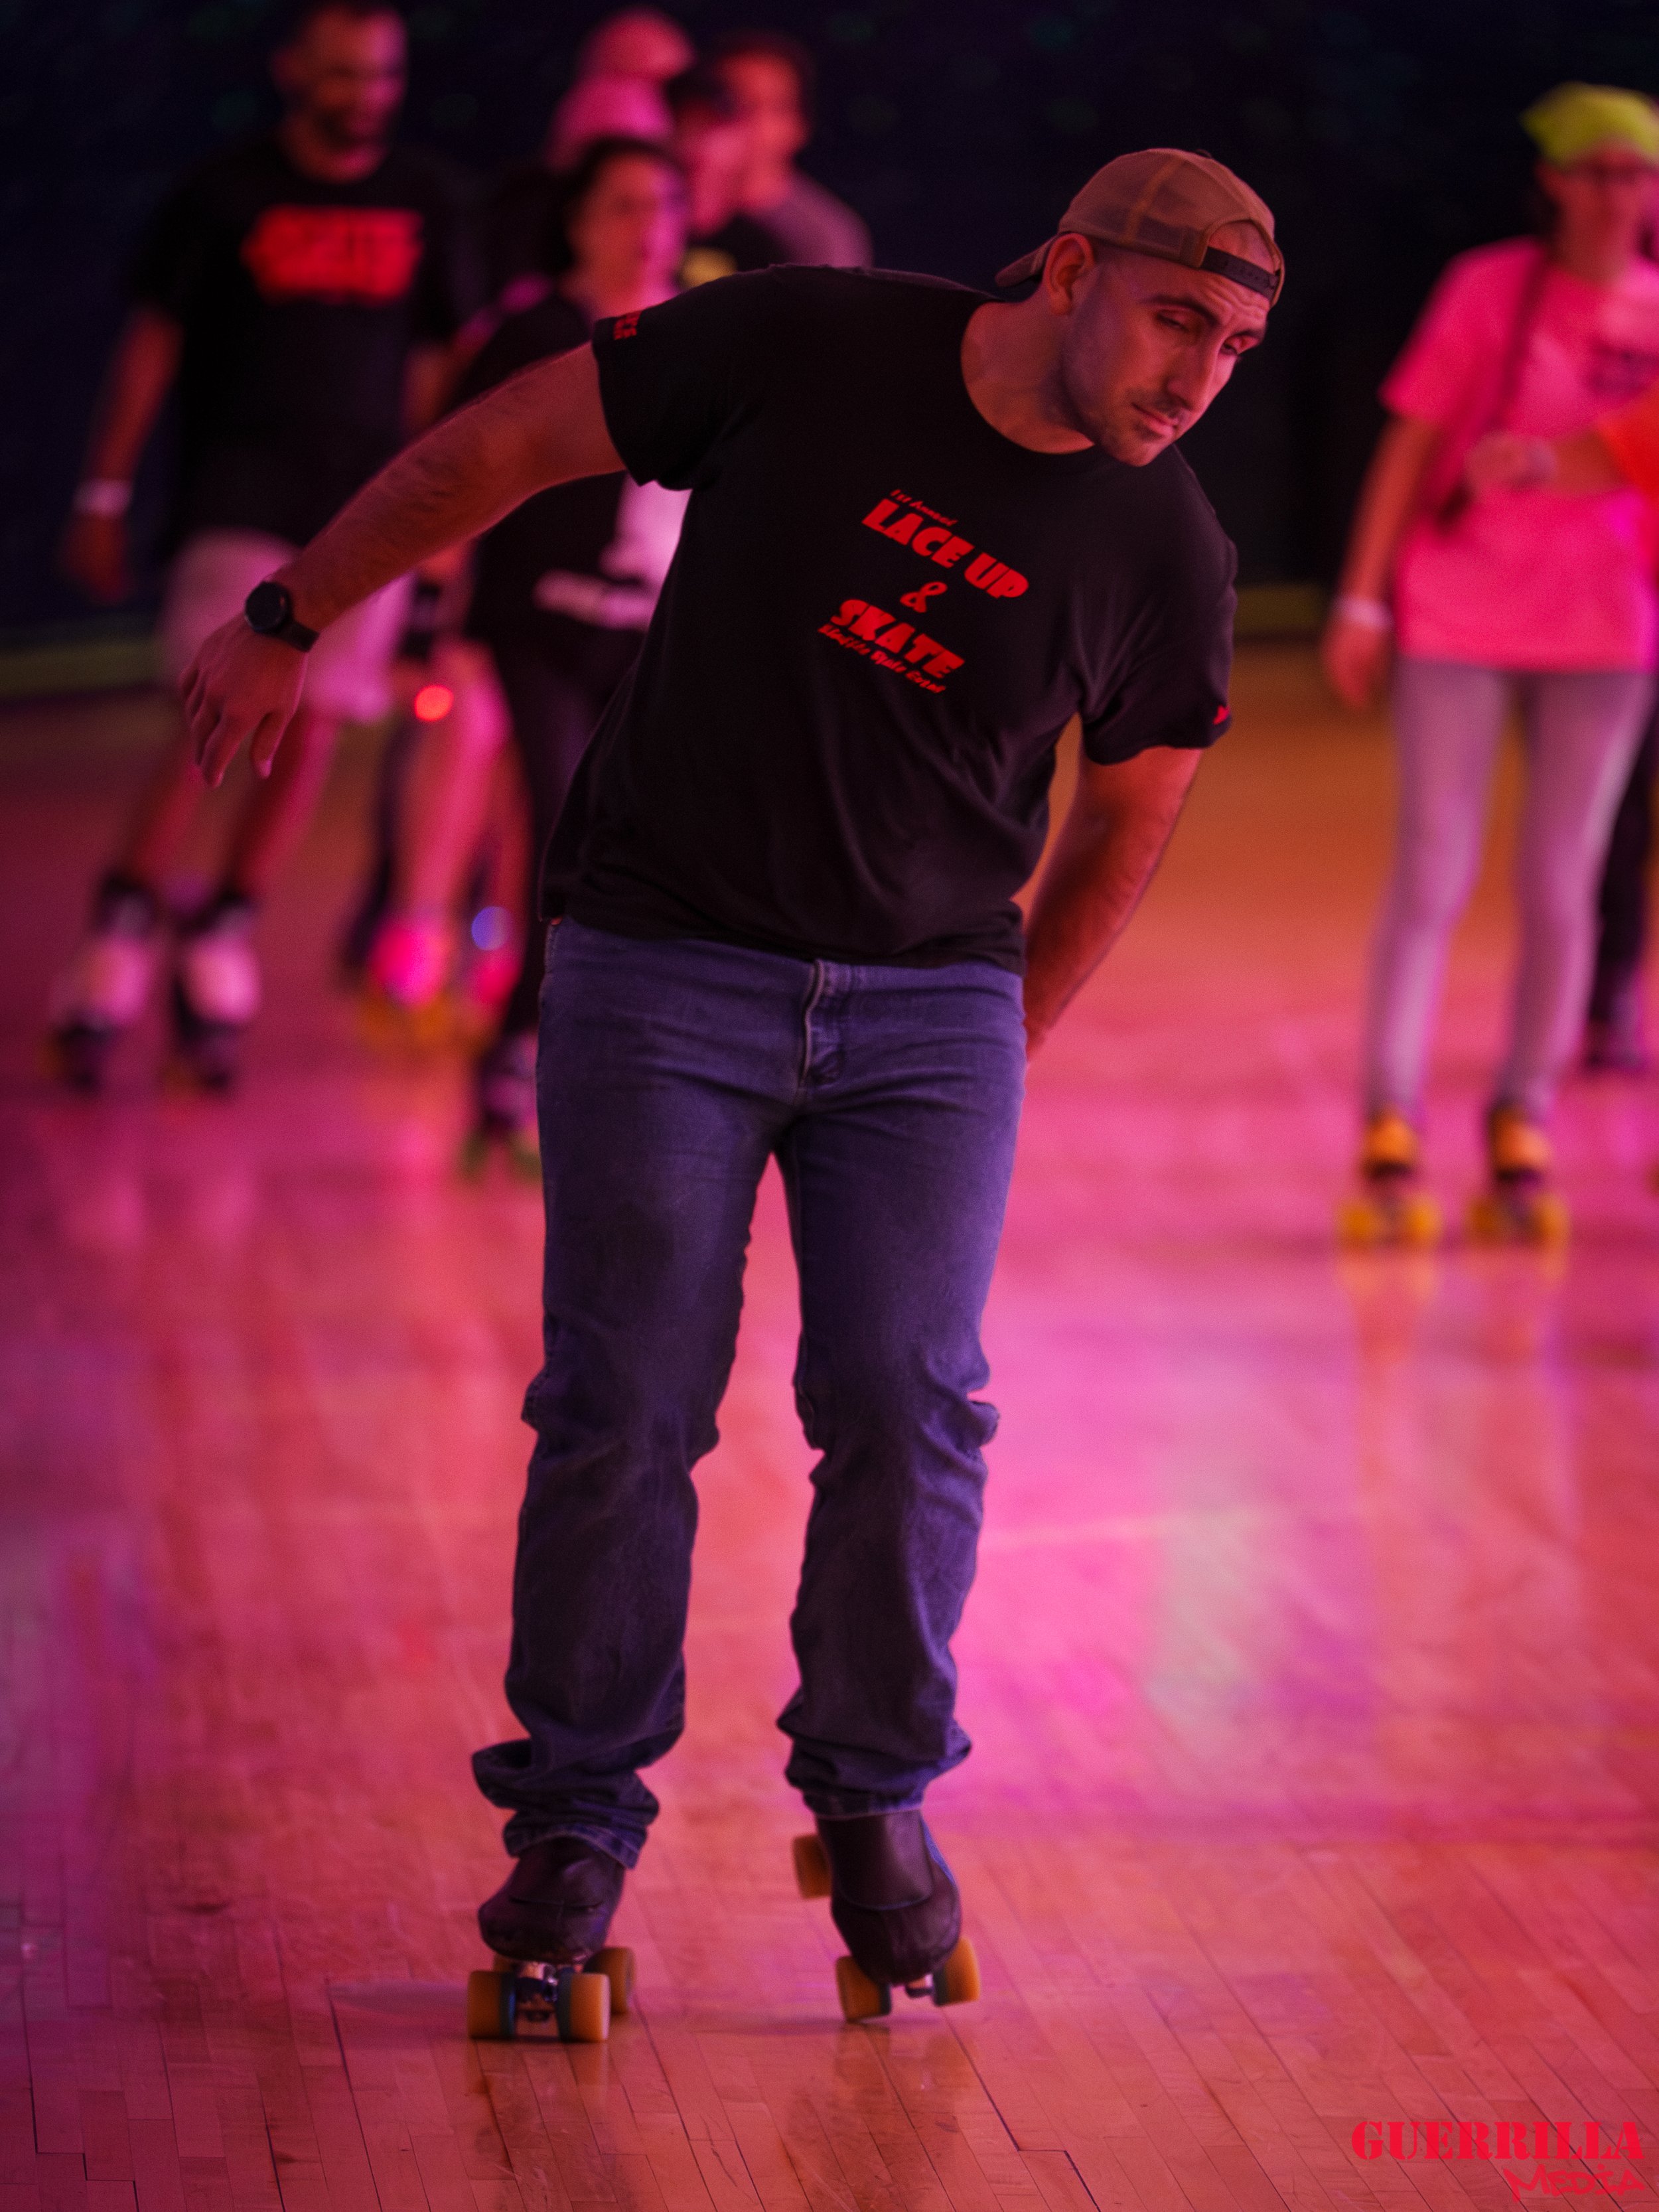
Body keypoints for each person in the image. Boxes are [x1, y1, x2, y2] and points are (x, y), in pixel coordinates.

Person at [179, 149, 1280, 2008]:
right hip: (662, 960)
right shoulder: (802, 340)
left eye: (1239, 347)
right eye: (1178, 319)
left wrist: (997, 1042)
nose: (1196, 375)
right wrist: (291, 613)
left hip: (928, 1008)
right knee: (624, 1405)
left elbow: (1135, 801)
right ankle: (575, 1822)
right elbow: (499, 448)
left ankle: (872, 1796)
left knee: (912, 1401)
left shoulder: (1162, 540)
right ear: (1073, 264)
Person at [48, 0, 478, 1091]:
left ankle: (223, 933)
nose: (365, 95)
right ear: (295, 72)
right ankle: (122, 934)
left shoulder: (425, 198)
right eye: (343, 74)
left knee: (317, 727)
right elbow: (153, 345)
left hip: (367, 513)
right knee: (216, 711)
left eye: (381, 74)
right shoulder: (227, 194)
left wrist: (436, 527)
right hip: (239, 494)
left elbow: (441, 368)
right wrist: (103, 490)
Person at [1322, 82, 1659, 1243]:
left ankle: (1525, 1108)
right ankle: (1391, 1110)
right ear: (1555, 181)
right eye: (1604, 170)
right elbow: (1414, 439)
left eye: (1642, 172)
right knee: (1433, 864)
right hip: (1461, 609)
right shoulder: (1490, 288)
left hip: (1607, 625)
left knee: (1565, 879)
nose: (1626, 194)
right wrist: (1362, 598)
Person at [454, 137, 690, 1167]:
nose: (648, 228)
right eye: (626, 206)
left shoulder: (707, 328)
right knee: (560, 829)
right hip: (541, 627)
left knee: (640, 853)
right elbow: (455, 471)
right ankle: (514, 1053)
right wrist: (436, 627)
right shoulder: (539, 333)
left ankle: (588, 1060)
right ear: (582, 220)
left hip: (651, 637)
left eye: (664, 206)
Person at [709, 30, 869, 268]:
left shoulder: (821, 238)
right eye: (726, 103)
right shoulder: (667, 209)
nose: (739, 122)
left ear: (798, 126)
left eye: (760, 106)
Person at [666, 65, 788, 281]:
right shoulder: (636, 233)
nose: (699, 144)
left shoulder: (763, 253)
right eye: (686, 125)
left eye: (713, 127)